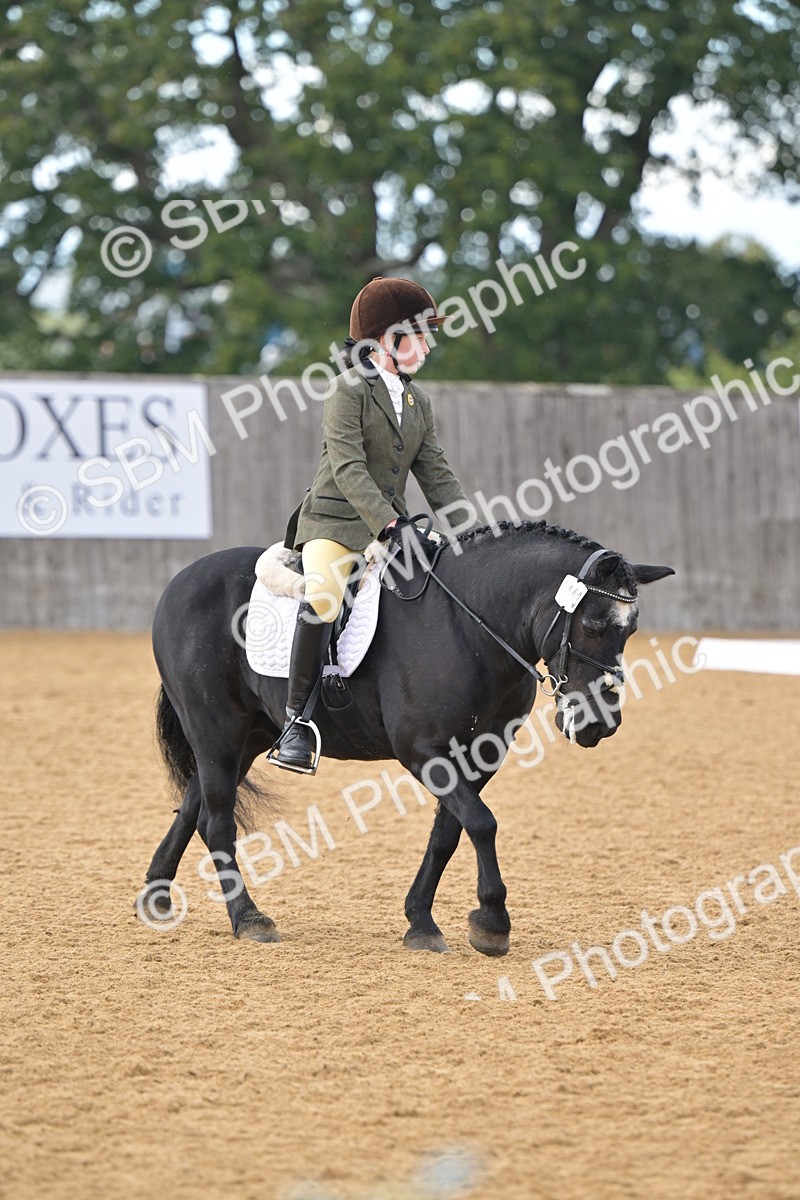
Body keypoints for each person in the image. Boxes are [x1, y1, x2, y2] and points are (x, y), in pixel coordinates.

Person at [271, 275, 476, 772]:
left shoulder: (416, 401)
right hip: (335, 523)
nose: (427, 344)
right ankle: (297, 723)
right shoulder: (346, 392)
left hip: (393, 526)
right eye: (420, 334)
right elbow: (348, 469)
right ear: (388, 340)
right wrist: (387, 525)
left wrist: (471, 533)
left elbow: (436, 472)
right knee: (323, 595)